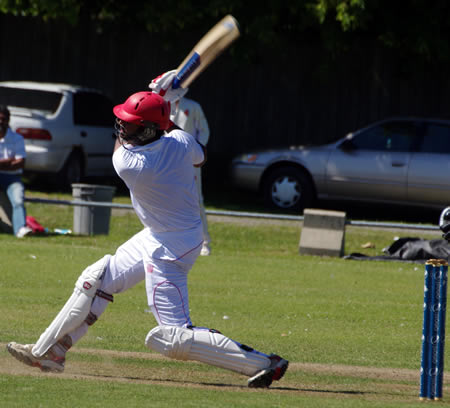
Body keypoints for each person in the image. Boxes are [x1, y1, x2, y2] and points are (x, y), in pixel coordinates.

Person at [6, 74, 289, 388]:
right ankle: (49, 351)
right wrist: (164, 106)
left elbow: (127, 145)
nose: (122, 127)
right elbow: (200, 153)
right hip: (163, 233)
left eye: (129, 124)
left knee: (175, 338)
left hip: (170, 249)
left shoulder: (130, 163)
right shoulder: (180, 143)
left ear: (148, 130)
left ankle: (265, 363)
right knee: (97, 279)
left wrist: (161, 99)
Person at [171, 97, 211, 255]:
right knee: (167, 198)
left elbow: (204, 130)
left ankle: (204, 242)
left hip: (190, 161)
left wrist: (196, 151)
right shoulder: (163, 105)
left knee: (196, 199)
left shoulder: (193, 106)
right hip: (168, 161)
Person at [0, 105, 32, 238]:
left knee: (18, 199)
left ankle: (20, 229)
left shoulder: (17, 138)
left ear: (8, 120)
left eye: (3, 119)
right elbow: (14, 161)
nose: (1, 122)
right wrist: (8, 161)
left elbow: (20, 163)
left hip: (12, 178)